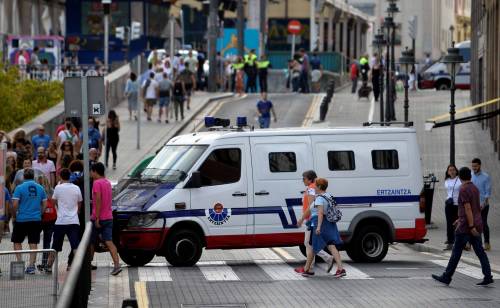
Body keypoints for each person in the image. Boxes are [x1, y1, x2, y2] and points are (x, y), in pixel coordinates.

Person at [432, 167, 493, 286]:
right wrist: (460, 219)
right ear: (470, 176)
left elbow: (468, 208)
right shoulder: (474, 188)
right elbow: (474, 207)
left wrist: (469, 226)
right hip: (476, 222)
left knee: (456, 253)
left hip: (466, 227)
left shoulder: (463, 189)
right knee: (480, 251)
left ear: (459, 177)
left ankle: (446, 277)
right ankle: (488, 275)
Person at [299, 178, 345, 278]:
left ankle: (307, 270)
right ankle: (341, 269)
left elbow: (320, 213)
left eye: (315, 185)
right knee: (331, 245)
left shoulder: (319, 199)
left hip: (319, 223)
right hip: (329, 223)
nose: (314, 187)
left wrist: (318, 227)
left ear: (319, 187)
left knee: (312, 245)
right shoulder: (328, 196)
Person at [295, 171, 334, 274]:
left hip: (311, 219)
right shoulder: (312, 188)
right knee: (308, 243)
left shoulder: (311, 189)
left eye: (304, 178)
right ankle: (309, 268)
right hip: (311, 219)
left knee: (308, 243)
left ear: (310, 179)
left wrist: (302, 219)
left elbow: (311, 205)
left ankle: (327, 258)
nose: (302, 180)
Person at [11, 168, 47, 274]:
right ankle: (31, 266)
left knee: (17, 241)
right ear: (33, 176)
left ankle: (19, 264)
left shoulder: (19, 188)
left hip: (21, 219)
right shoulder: (40, 188)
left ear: (24, 177)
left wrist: (14, 215)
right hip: (35, 219)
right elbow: (44, 204)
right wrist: (39, 214)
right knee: (33, 242)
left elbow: (15, 204)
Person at [46, 168, 82, 272]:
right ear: (70, 176)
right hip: (74, 221)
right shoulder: (76, 188)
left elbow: (53, 202)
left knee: (55, 247)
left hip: (61, 221)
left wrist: (59, 207)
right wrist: (76, 212)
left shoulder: (58, 188)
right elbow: (80, 203)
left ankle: (48, 267)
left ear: (60, 176)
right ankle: (79, 266)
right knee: (75, 245)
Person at [89, 163, 121, 275]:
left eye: (91, 171)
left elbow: (98, 200)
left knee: (91, 241)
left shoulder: (96, 183)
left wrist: (96, 217)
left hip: (99, 217)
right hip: (108, 216)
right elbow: (105, 199)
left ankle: (89, 263)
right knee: (109, 241)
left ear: (95, 171)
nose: (90, 173)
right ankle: (117, 265)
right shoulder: (107, 182)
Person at [471, 158, 492, 251]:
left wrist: (484, 204)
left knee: (483, 223)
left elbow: (488, 193)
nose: (474, 168)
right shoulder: (471, 176)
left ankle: (487, 243)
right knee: (472, 224)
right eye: (473, 166)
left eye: (475, 166)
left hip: (483, 204)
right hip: (473, 205)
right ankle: (471, 243)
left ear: (480, 165)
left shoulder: (486, 177)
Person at [36, 174, 55, 272]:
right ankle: (44, 263)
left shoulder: (38, 190)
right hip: (51, 218)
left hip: (40, 217)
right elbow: (55, 203)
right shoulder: (52, 190)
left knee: (34, 241)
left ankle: (38, 263)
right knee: (47, 241)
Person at [444, 164, 461, 250]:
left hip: (457, 204)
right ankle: (450, 242)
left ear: (456, 170)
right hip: (449, 204)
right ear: (447, 172)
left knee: (458, 223)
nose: (452, 171)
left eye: (453, 170)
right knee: (449, 223)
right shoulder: (446, 180)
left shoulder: (459, 180)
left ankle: (459, 242)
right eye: (450, 170)